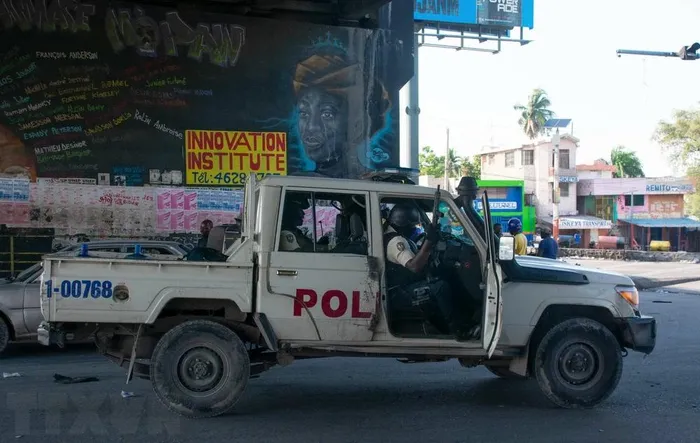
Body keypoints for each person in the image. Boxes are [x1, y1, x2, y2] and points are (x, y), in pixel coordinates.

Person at [384, 203, 465, 336]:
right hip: (400, 292)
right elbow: (415, 267)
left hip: (402, 287)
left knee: (442, 278)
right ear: (404, 224)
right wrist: (429, 242)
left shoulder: (396, 236)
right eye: (413, 226)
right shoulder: (396, 241)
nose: (414, 229)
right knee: (441, 287)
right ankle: (455, 329)